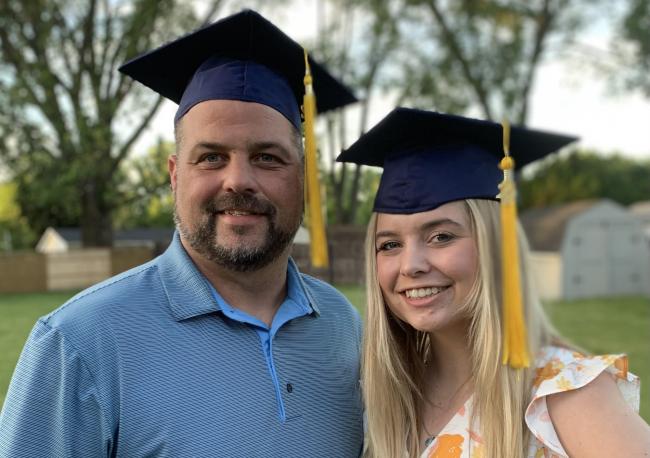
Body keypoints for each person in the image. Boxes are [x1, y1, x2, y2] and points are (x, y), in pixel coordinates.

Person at [0, 10, 364, 457]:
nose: (238, 181)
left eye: (268, 157)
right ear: (175, 175)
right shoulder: (79, 343)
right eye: (211, 157)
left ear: (302, 177)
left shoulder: (343, 327)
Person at [337, 107, 650, 457]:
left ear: (497, 247)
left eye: (441, 236)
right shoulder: (389, 399)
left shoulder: (563, 395)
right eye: (390, 245)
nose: (410, 266)